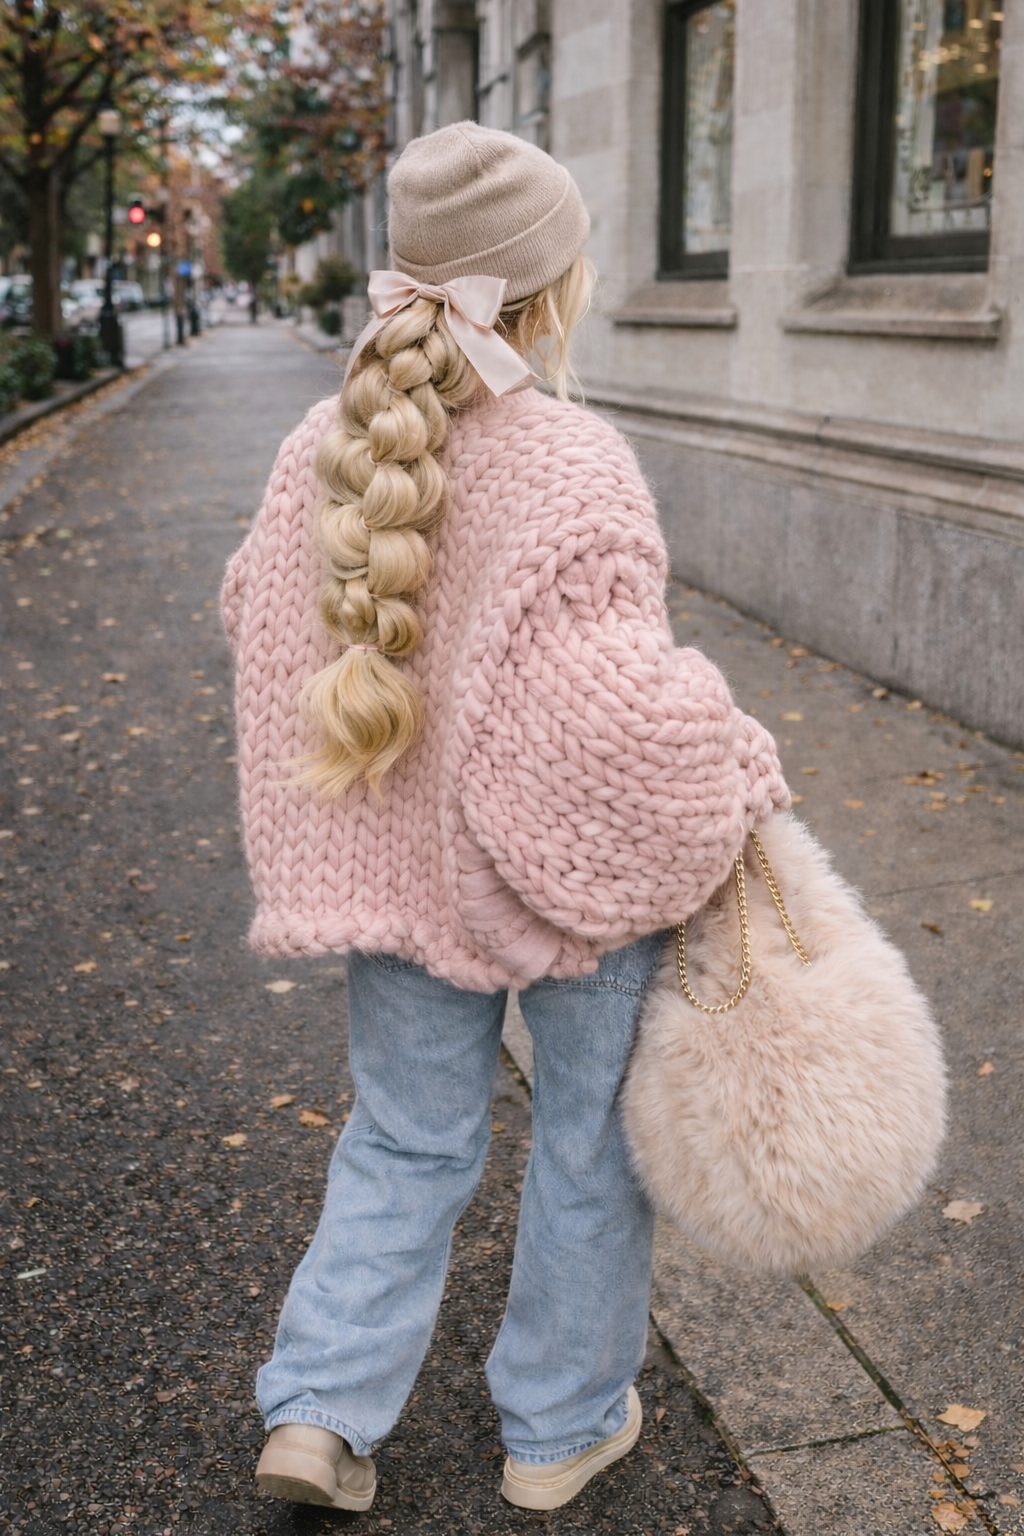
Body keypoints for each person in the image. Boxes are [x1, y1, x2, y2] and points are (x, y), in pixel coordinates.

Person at [221, 121, 789, 1515]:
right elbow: (612, 715)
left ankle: (321, 1413)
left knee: (407, 1138)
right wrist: (731, 752)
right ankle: (560, 1427)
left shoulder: (321, 445)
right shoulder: (568, 458)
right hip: (568, 884)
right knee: (593, 1137)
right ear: (553, 286)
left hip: (396, 875)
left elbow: (254, 612)